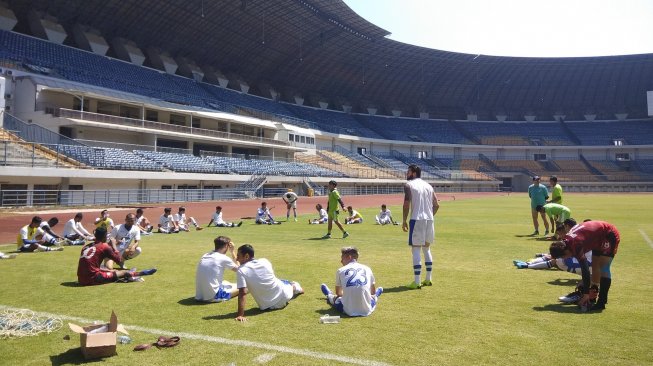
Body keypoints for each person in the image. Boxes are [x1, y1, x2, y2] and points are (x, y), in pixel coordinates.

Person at [549, 220, 620, 311]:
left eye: (564, 256)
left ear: (565, 251)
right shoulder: (565, 242)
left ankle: (601, 302)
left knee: (604, 268)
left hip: (608, 234)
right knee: (595, 267)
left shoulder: (576, 244)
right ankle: (593, 296)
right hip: (597, 236)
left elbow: (585, 269)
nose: (566, 258)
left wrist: (585, 294)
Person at [234, 244, 303, 322]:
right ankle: (293, 286)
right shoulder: (264, 261)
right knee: (284, 283)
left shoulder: (241, 270)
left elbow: (242, 293)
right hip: (284, 295)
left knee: (291, 285)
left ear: (246, 256)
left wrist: (240, 315)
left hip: (269, 305)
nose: (237, 259)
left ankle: (296, 286)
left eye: (238, 256)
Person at [402, 164, 439, 289]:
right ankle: (428, 279)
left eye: (408, 172)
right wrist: (430, 216)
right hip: (429, 219)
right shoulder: (428, 186)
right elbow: (437, 205)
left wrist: (404, 220)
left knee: (416, 249)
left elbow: (406, 204)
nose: (406, 174)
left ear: (413, 173)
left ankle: (417, 281)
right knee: (427, 249)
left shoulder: (409, 185)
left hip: (416, 219)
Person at [77, 227, 156, 286]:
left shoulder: (86, 246)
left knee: (110, 270)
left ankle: (123, 274)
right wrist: (114, 245)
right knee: (123, 272)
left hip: (81, 278)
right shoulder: (104, 246)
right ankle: (140, 273)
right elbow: (119, 260)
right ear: (104, 236)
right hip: (92, 278)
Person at [320, 246, 383, 317]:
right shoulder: (367, 268)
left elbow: (339, 293)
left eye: (342, 258)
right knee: (373, 297)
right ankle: (377, 294)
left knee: (336, 299)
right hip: (366, 310)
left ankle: (329, 294)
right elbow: (372, 292)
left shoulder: (340, 270)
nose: (341, 261)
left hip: (348, 310)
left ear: (349, 257)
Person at [195, 236, 240, 302]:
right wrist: (232, 251)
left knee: (226, 282)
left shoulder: (205, 255)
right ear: (226, 246)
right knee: (244, 287)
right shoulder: (223, 258)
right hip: (214, 296)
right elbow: (240, 270)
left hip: (200, 295)